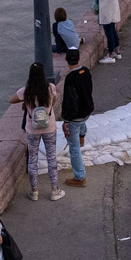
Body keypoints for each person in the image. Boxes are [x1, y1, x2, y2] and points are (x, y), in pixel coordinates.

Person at [11, 65, 63, 198]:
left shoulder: (26, 92)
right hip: (49, 127)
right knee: (51, 157)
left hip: (32, 130)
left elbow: (11, 100)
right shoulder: (50, 88)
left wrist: (25, 101)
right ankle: (54, 190)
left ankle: (34, 191)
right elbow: (54, 101)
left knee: (32, 159)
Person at [57, 59, 93, 193]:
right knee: (82, 125)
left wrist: (66, 119)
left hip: (75, 117)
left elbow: (70, 99)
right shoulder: (86, 71)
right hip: (87, 110)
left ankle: (80, 177)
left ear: (66, 60)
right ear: (78, 59)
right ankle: (82, 137)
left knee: (74, 148)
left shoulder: (71, 78)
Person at [94, 0, 123, 64]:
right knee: (113, 30)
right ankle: (117, 51)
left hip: (107, 10)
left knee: (108, 32)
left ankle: (110, 54)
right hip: (114, 8)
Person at [52, 7, 80, 74]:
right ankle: (81, 40)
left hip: (68, 48)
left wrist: (58, 52)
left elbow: (58, 39)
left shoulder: (56, 25)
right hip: (76, 43)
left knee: (49, 47)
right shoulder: (69, 22)